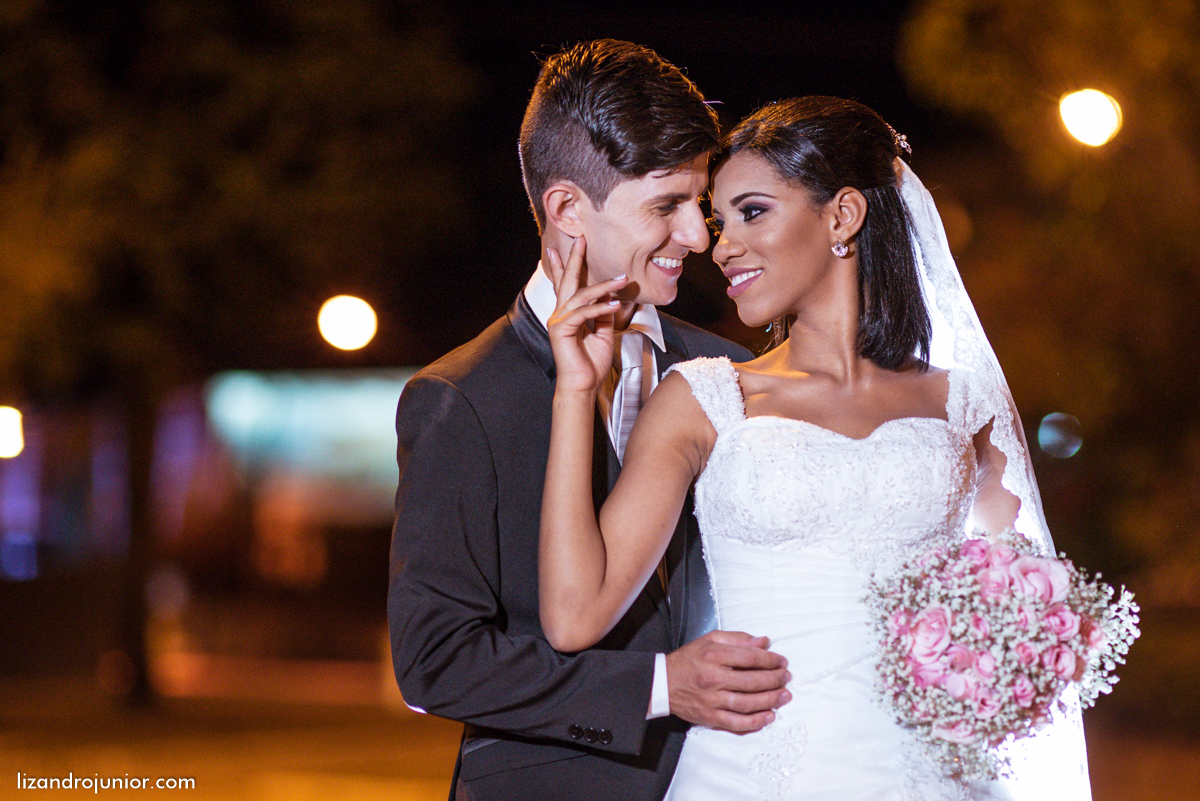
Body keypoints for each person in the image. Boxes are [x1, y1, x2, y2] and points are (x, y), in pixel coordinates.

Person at [540, 96, 1093, 799]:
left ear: (842, 216)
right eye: (719, 219)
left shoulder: (961, 405)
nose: (721, 245)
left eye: (752, 211)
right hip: (751, 773)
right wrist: (572, 390)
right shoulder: (705, 400)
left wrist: (1018, 654)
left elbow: (1016, 603)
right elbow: (573, 613)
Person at [388, 40, 790, 801]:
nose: (700, 237)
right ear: (569, 208)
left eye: (698, 203)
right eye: (665, 206)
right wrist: (658, 685)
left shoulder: (723, 372)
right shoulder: (460, 397)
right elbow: (434, 661)